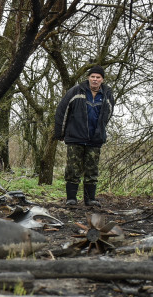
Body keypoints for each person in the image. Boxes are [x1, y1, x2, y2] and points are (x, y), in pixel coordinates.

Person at [54, 65, 115, 207]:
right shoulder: (76, 91)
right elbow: (62, 111)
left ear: (102, 80)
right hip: (76, 137)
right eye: (92, 77)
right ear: (88, 78)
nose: (95, 79)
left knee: (92, 170)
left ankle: (90, 199)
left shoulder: (107, 95)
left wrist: (100, 131)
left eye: (98, 77)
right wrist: (60, 133)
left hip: (95, 139)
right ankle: (71, 199)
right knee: (73, 169)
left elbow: (108, 115)